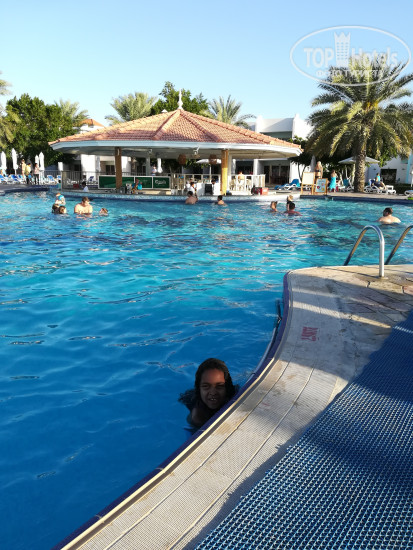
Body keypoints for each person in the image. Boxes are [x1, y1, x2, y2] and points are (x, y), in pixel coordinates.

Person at [179, 358, 237, 428]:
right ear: (199, 388)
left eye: (219, 386)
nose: (213, 393)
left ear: (227, 387)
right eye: (206, 386)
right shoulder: (198, 416)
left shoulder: (234, 394)